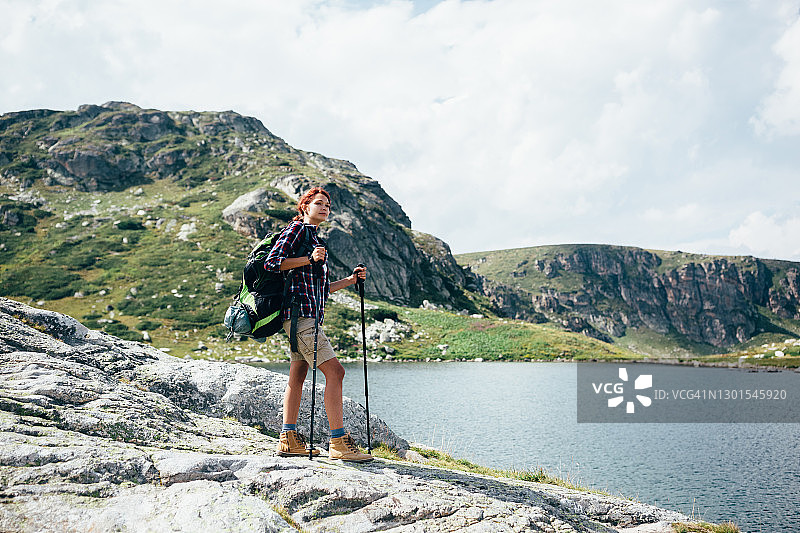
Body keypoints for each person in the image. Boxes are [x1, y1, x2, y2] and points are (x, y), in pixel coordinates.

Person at [264, 186, 372, 462]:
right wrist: (307, 259)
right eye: (319, 204)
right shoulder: (297, 231)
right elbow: (272, 263)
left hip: (303, 316)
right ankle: (338, 442)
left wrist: (350, 280)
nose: (325, 208)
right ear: (305, 207)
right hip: (300, 318)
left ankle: (289, 440)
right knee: (336, 373)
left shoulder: (313, 238)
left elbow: (320, 290)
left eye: (328, 205)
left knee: (297, 377)